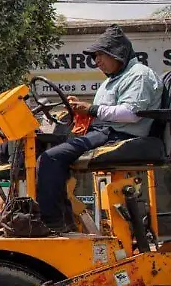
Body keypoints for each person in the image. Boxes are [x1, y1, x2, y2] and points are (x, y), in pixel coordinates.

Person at [37, 24, 163, 231]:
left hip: (120, 135)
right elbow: (100, 112)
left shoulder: (139, 75)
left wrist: (92, 109)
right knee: (42, 149)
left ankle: (52, 223)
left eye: (100, 56)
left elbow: (131, 114)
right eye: (95, 57)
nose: (97, 62)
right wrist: (80, 109)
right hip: (104, 132)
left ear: (117, 53)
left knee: (51, 158)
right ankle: (63, 218)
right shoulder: (110, 81)